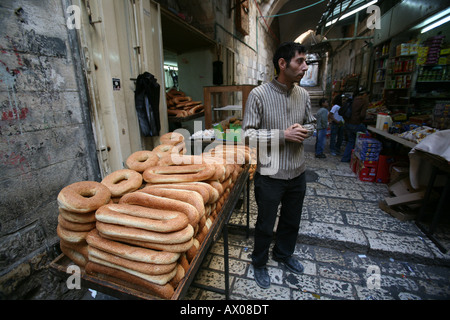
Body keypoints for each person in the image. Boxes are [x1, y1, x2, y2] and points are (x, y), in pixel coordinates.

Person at [242, 42, 316, 289]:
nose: (305, 67)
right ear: (282, 64)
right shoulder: (259, 95)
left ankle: (283, 254)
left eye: (306, 62)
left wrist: (305, 130)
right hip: (270, 173)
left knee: (291, 220)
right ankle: (259, 263)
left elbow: (313, 124)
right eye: (300, 61)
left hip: (297, 171)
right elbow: (247, 135)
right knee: (265, 223)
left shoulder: (303, 95)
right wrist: (282, 135)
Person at [341, 87, 369, 162]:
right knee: (366, 138)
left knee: (351, 141)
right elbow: (362, 115)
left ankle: (345, 158)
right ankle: (361, 159)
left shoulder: (352, 99)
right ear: (364, 94)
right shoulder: (363, 101)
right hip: (356, 124)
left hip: (348, 123)